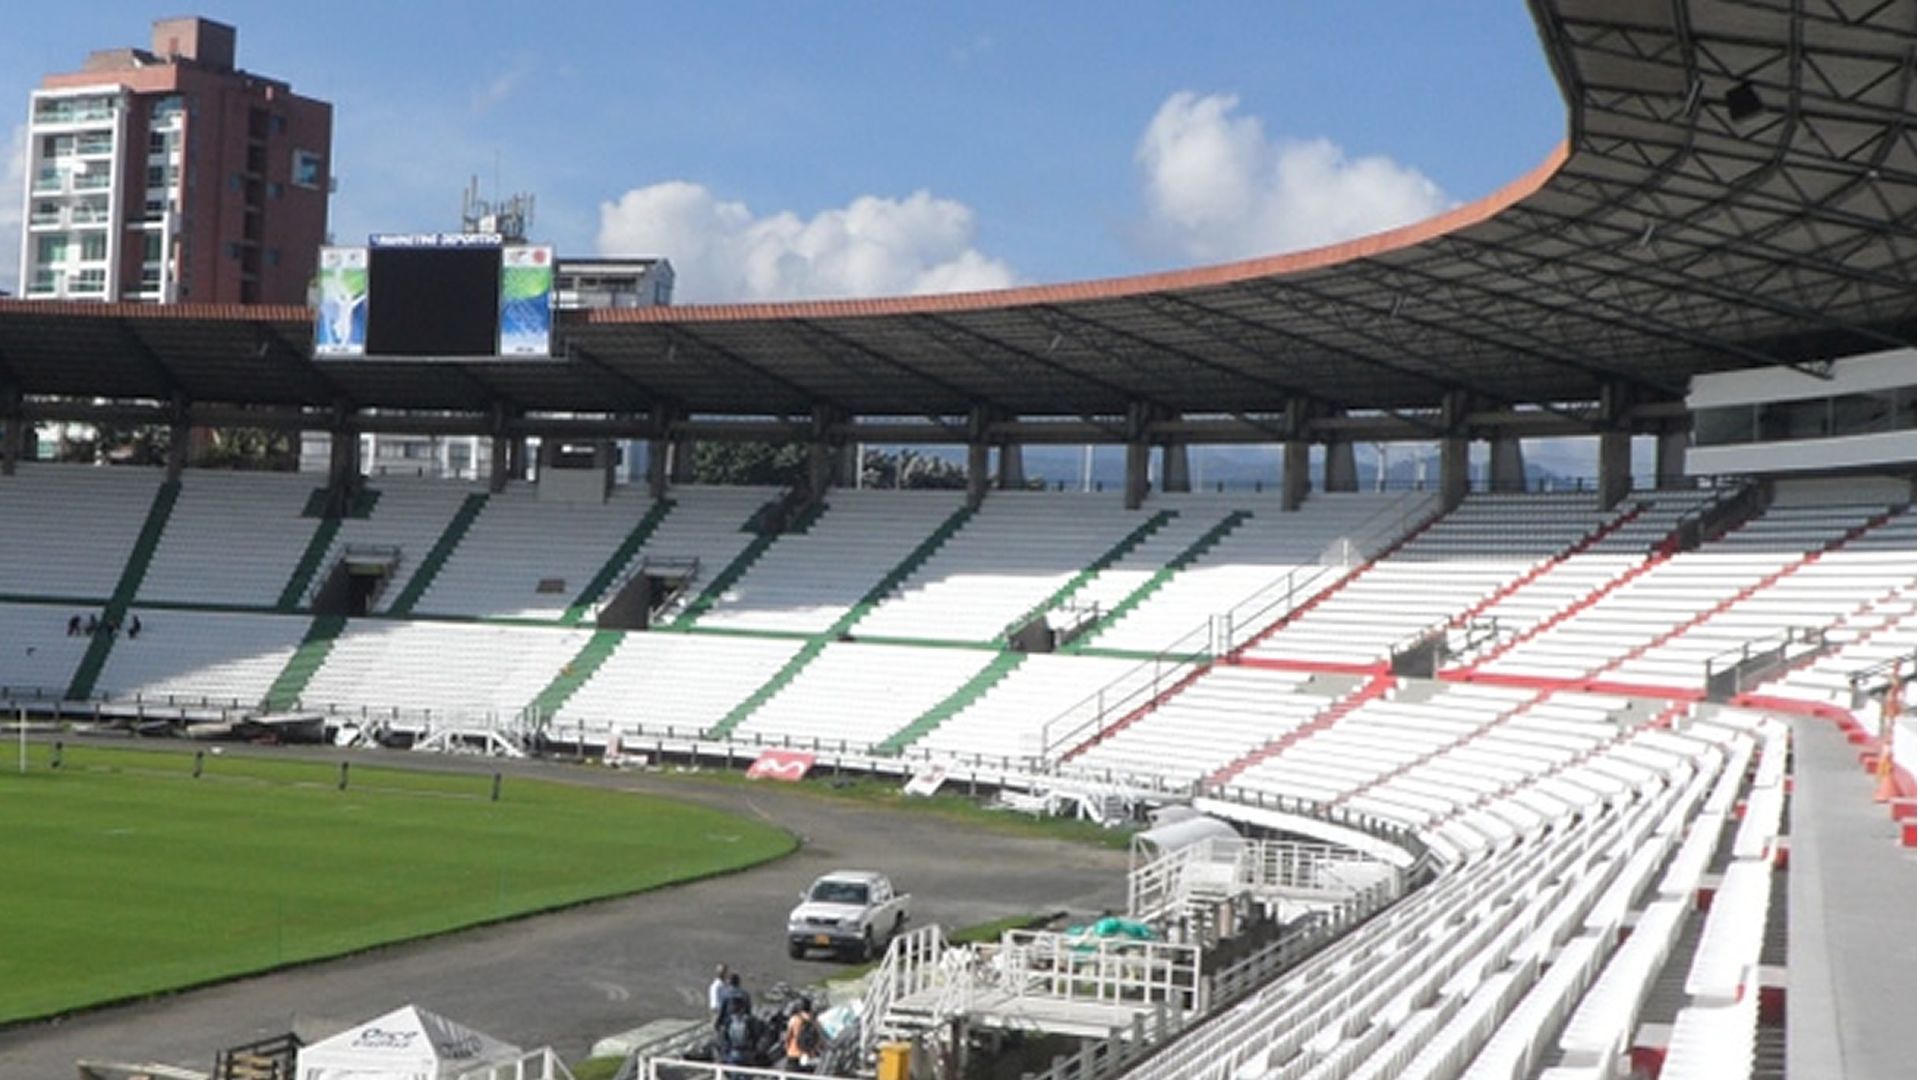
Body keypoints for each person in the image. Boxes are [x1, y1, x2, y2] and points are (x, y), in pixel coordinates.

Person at [783, 997, 823, 1073]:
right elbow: (818, 1038)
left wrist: (787, 1047)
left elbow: (788, 1036)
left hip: (793, 1053)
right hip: (808, 1054)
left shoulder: (795, 1019)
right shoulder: (814, 1020)